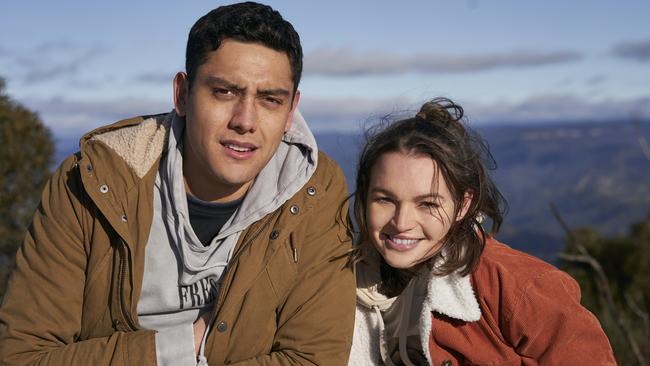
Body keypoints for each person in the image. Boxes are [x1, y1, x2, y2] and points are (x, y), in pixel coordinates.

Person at [0, 2, 355, 365]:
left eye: (269, 100)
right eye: (224, 92)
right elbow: (22, 357)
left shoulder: (314, 190)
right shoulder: (93, 181)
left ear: (291, 110)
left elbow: (315, 358)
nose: (245, 121)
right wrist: (182, 345)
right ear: (182, 95)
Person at [348, 98, 616, 365]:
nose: (402, 221)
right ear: (364, 196)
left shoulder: (518, 288)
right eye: (385, 199)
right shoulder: (346, 280)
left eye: (427, 203)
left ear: (463, 205)